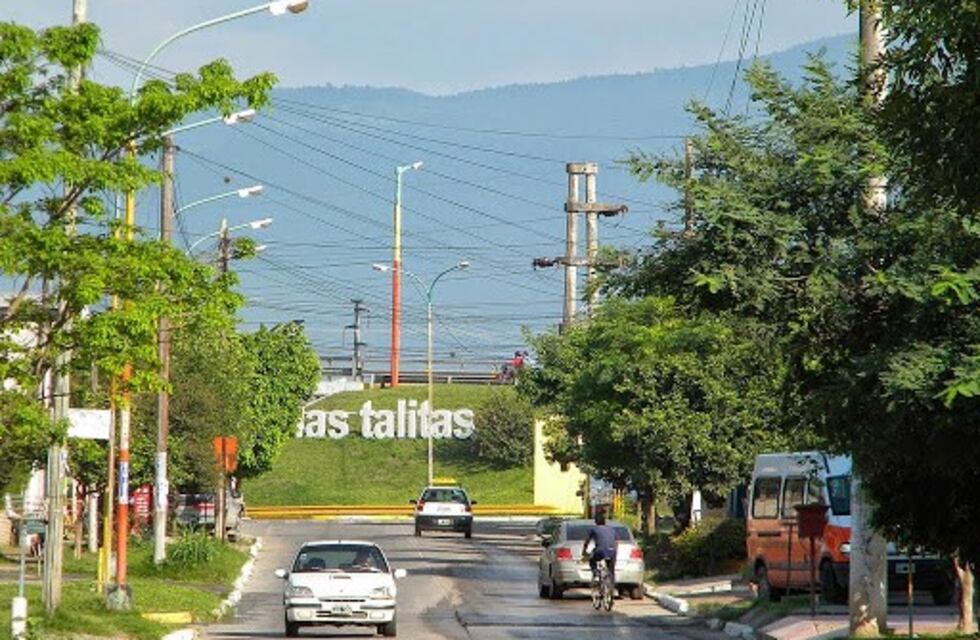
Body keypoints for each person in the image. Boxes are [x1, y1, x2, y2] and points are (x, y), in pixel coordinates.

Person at [582, 511, 617, 585]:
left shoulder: (594, 529)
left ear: (596, 521)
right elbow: (615, 541)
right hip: (612, 551)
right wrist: (614, 552)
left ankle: (596, 572)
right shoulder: (611, 529)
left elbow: (587, 541)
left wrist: (584, 551)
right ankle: (611, 589)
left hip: (600, 551)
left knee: (591, 559)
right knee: (611, 570)